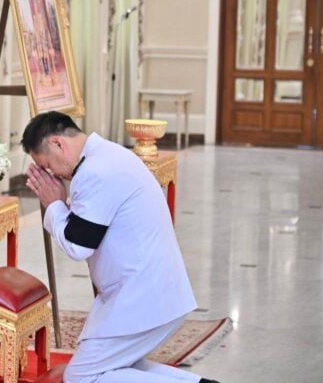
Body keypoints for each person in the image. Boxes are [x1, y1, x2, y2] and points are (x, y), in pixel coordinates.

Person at [21, 111, 219, 383]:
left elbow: (78, 246)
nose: (51, 173)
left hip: (143, 297)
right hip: (152, 291)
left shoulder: (94, 172)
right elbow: (84, 228)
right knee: (119, 366)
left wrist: (54, 204)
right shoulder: (109, 154)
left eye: (47, 165)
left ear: (58, 144)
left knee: (82, 377)